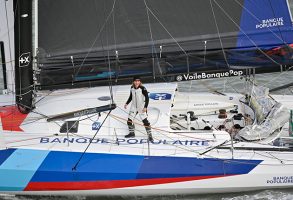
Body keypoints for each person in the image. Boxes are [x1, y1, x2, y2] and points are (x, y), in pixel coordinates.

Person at [124, 76, 154, 142]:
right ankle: (132, 133)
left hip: (141, 107)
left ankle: (150, 135)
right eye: (135, 81)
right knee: (129, 121)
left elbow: (147, 98)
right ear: (133, 81)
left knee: (145, 121)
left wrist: (145, 107)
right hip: (134, 106)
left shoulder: (143, 88)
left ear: (140, 82)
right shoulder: (132, 88)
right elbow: (131, 97)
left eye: (138, 81)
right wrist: (126, 103)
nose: (137, 82)